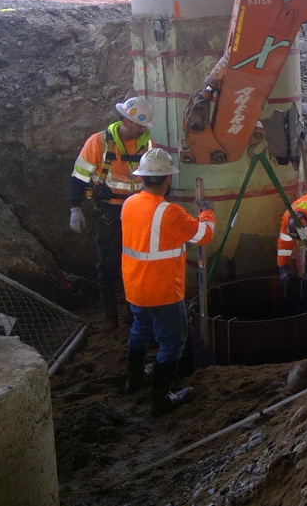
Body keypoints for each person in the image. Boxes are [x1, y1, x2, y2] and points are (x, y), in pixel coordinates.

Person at [120, 148, 215, 417]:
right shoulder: (169, 213)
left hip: (135, 286)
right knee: (172, 343)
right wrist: (207, 213)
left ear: (143, 178)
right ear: (166, 180)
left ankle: (133, 382)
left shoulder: (129, 204)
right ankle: (160, 400)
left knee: (140, 328)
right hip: (162, 291)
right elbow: (203, 235)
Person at [68, 97, 155, 331]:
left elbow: (156, 179)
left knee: (136, 264)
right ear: (126, 121)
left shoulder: (147, 145)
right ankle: (109, 317)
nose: (142, 130)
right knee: (107, 265)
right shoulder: (98, 143)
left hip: (138, 211)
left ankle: (132, 312)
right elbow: (79, 177)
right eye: (139, 125)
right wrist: (75, 208)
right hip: (108, 211)